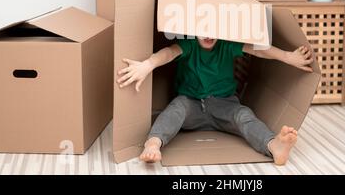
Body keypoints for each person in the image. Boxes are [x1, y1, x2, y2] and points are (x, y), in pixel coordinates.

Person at [117, 37, 313, 165]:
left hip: (224, 104)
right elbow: (169, 52)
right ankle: (153, 143)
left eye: (213, 29)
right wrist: (148, 64)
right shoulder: (189, 44)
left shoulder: (227, 45)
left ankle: (273, 146)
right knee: (175, 110)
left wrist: (288, 57)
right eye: (202, 29)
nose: (208, 34)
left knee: (243, 115)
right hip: (190, 103)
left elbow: (258, 50)